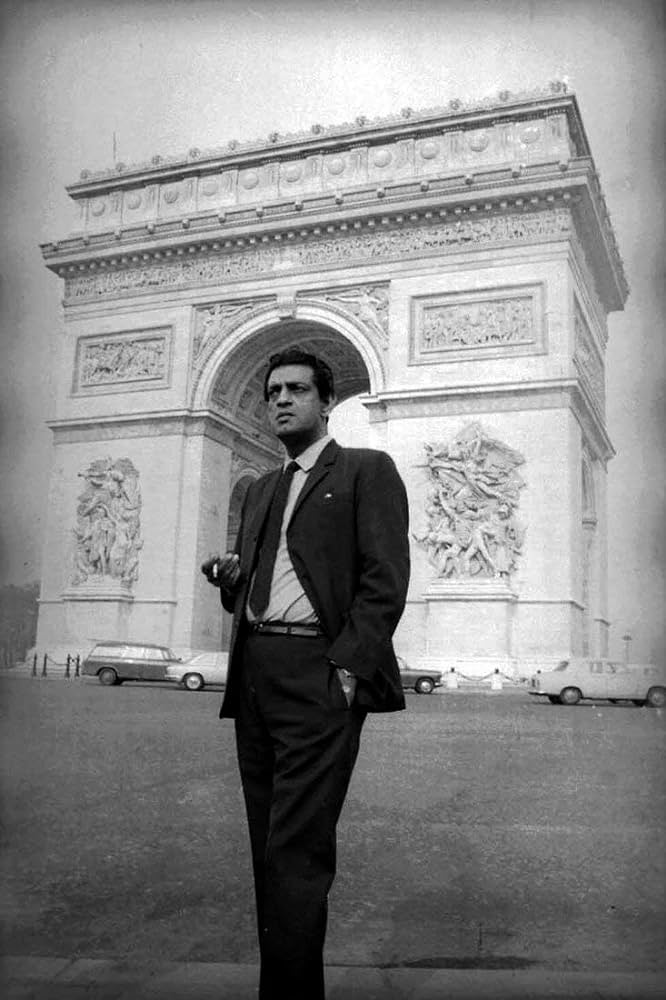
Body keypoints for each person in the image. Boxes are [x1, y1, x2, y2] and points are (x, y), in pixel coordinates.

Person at [202, 347, 410, 1000]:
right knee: (269, 851)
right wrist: (231, 581)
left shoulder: (367, 471)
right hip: (258, 675)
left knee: (296, 851)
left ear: (326, 401)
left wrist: (346, 673)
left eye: (296, 389)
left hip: (320, 676)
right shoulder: (263, 487)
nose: (281, 400)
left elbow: (385, 581)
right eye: (271, 392)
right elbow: (253, 590)